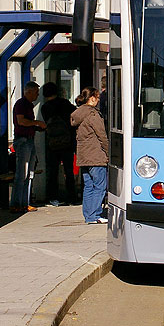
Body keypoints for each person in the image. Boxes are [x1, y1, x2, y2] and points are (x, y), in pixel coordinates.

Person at [71, 86, 108, 224]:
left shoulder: (78, 114)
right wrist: (109, 152)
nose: (98, 100)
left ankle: (88, 215)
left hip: (84, 156)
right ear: (92, 98)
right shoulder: (93, 114)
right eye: (97, 97)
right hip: (96, 155)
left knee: (88, 186)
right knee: (99, 186)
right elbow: (102, 136)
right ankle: (95, 215)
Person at [11, 81, 46, 213]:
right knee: (22, 174)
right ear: (28, 91)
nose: (37, 95)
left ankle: (24, 202)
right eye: (36, 92)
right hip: (23, 141)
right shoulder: (21, 104)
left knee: (29, 173)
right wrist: (36, 122)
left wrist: (36, 127)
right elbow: (21, 121)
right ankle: (16, 203)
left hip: (29, 139)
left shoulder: (29, 105)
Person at [40, 82, 76, 206]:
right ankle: (72, 196)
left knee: (53, 171)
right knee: (68, 170)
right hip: (67, 142)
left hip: (52, 144)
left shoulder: (45, 107)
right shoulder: (66, 104)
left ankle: (53, 197)